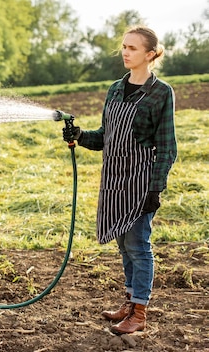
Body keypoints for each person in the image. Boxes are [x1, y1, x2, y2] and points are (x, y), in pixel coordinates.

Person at [62, 25, 177, 334]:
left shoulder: (161, 92)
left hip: (141, 181)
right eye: (124, 47)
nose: (125, 52)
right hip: (113, 180)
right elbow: (104, 137)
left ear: (150, 54)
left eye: (133, 48)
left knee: (139, 245)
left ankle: (139, 312)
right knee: (124, 245)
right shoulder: (115, 88)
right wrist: (80, 135)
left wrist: (156, 188)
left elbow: (168, 146)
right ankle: (129, 301)